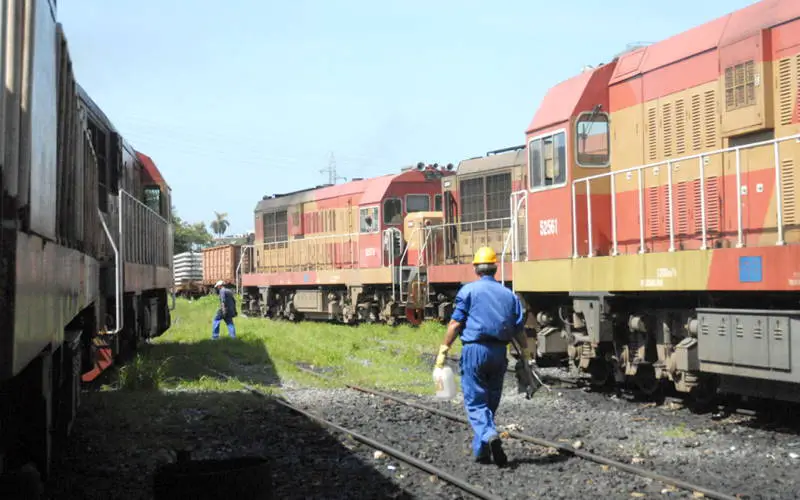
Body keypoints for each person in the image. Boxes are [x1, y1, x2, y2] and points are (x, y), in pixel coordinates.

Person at [434, 246, 530, 466]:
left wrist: (443, 350)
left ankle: (488, 436)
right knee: (490, 401)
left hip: (475, 350)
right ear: (495, 268)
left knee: (476, 402)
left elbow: (456, 323)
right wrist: (525, 353)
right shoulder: (509, 295)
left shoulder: (468, 292)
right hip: (499, 352)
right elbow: (519, 330)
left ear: (476, 268)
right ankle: (482, 451)